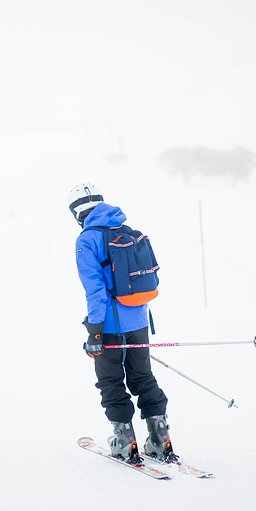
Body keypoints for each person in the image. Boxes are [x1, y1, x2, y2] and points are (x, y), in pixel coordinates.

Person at [68, 182, 177, 464]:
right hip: (139, 319)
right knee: (143, 377)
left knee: (111, 381)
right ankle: (159, 439)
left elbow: (95, 290)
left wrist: (95, 331)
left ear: (77, 212)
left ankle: (124, 441)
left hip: (109, 326)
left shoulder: (87, 240)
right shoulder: (126, 231)